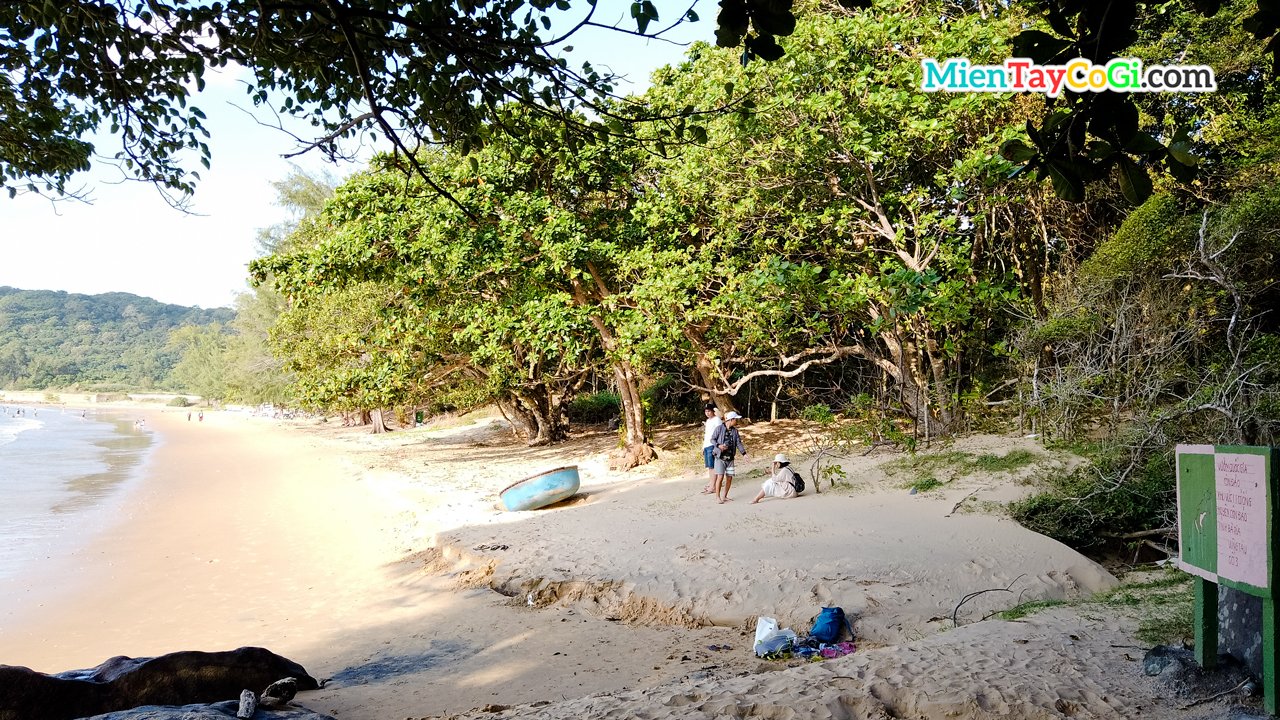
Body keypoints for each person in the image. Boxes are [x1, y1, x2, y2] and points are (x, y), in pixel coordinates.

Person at [709, 411, 747, 503]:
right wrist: (719, 446)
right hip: (720, 457)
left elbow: (738, 443)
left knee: (729, 477)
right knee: (720, 477)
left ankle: (725, 496)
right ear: (731, 419)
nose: (737, 421)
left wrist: (744, 454)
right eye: (736, 419)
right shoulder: (719, 429)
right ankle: (718, 497)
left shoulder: (735, 431)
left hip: (730, 458)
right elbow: (712, 439)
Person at [700, 402, 723, 494]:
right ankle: (711, 483)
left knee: (713, 467)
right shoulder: (708, 421)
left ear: (713, 411)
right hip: (707, 445)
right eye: (706, 411)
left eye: (709, 411)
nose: (707, 413)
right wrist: (703, 447)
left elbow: (720, 433)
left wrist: (716, 446)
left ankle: (713, 486)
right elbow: (707, 435)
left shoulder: (717, 420)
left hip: (713, 445)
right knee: (710, 467)